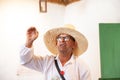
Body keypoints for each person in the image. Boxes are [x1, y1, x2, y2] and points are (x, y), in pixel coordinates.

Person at [20, 24, 91, 80]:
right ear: (56, 43)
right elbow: (26, 61)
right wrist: (29, 42)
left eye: (66, 38)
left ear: (74, 44)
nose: (62, 40)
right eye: (59, 38)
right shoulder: (47, 61)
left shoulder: (82, 66)